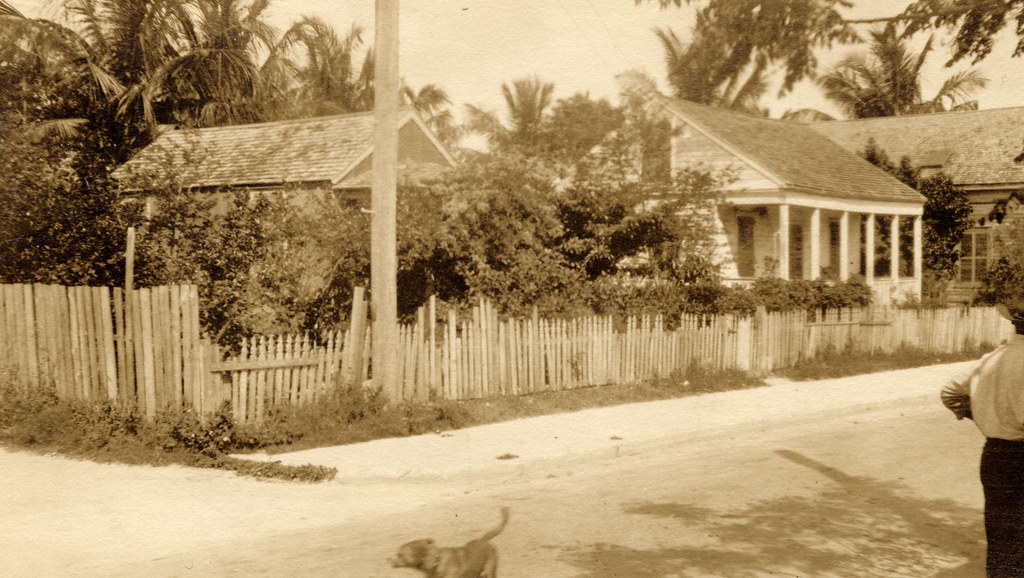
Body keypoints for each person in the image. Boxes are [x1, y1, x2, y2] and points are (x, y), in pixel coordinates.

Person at [942, 298, 1024, 577]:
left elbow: (950, 392)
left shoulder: (993, 358)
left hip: (995, 456)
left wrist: (981, 414)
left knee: (1001, 535)